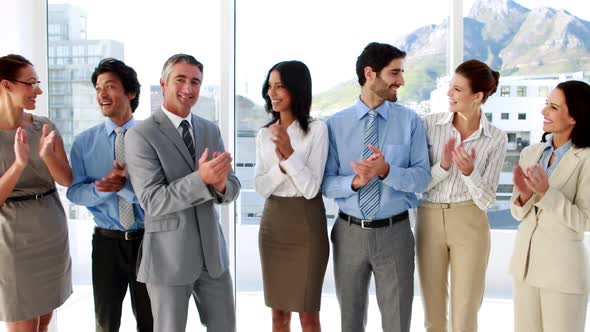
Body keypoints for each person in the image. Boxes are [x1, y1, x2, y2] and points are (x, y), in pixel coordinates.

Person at [124, 54, 240, 332]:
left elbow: (232, 186)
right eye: (181, 80)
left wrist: (221, 185)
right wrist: (202, 178)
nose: (189, 88)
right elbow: (153, 200)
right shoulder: (141, 135)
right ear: (163, 84)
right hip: (168, 259)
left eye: (195, 82)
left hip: (213, 257)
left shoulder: (210, 129)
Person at [322, 42, 431, 332]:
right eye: (395, 72)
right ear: (370, 73)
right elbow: (327, 184)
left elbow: (422, 178)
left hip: (395, 234)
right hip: (348, 234)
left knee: (397, 322)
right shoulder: (335, 124)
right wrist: (355, 182)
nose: (401, 81)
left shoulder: (410, 121)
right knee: (350, 321)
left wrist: (387, 171)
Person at [417, 59, 507, 332]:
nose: (449, 94)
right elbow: (417, 184)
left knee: (465, 313)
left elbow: (487, 199)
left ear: (478, 96)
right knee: (433, 315)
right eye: (450, 87)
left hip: (470, 221)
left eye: (457, 89)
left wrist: (469, 172)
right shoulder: (429, 125)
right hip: (429, 218)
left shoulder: (495, 138)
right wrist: (444, 167)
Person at [66, 58, 153, 332]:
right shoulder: (83, 142)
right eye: (98, 87)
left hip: (149, 242)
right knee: (106, 323)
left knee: (151, 321)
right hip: (106, 244)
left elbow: (162, 197)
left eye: (110, 86)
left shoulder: (153, 139)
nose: (102, 94)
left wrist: (125, 188)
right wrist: (102, 188)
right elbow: (75, 193)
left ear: (131, 93)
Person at [510, 80, 590, 332]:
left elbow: (585, 220)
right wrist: (523, 197)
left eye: (553, 107)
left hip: (562, 273)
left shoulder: (586, 157)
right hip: (524, 267)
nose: (544, 112)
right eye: (546, 104)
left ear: (574, 117)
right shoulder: (531, 153)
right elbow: (519, 213)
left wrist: (546, 193)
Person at [0, 54, 72, 332]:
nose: (38, 91)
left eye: (38, 83)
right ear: (6, 85)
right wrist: (19, 164)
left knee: (44, 320)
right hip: (13, 241)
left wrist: (47, 156)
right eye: (31, 84)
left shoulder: (44, 126)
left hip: (51, 233)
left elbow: (66, 179)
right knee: (23, 321)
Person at [255, 60, 329, 332]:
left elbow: (311, 188)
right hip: (273, 225)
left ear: (297, 89)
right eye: (270, 86)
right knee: (278, 316)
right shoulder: (263, 134)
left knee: (308, 316)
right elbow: (262, 187)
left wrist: (289, 153)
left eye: (280, 86)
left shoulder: (317, 130)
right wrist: (284, 166)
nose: (272, 93)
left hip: (307, 226)